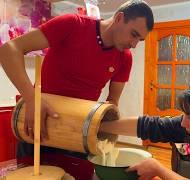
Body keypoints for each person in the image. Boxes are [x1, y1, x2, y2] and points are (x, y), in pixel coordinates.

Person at [0, 0, 154, 158]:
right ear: (119, 18)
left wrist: (105, 123)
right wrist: (32, 100)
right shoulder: (72, 24)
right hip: (40, 125)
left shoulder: (125, 58)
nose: (134, 44)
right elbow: (8, 50)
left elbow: (113, 101)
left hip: (79, 134)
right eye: (134, 35)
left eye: (140, 40)